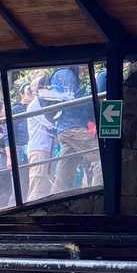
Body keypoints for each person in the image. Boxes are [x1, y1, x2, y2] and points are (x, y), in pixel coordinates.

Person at [48, 67, 96, 195]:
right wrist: (92, 103)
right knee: (101, 158)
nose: (85, 69)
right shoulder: (66, 74)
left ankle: (56, 200)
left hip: (65, 128)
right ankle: (101, 194)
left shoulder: (63, 74)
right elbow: (72, 100)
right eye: (84, 66)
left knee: (65, 173)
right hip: (74, 128)